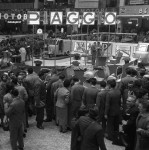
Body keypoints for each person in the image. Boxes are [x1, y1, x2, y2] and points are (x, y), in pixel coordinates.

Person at [105, 79, 121, 144]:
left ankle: (110, 137)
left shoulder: (109, 93)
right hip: (117, 110)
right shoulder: (118, 91)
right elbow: (120, 102)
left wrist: (105, 113)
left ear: (109, 85)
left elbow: (107, 104)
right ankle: (116, 136)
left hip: (111, 111)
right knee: (116, 124)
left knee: (110, 124)